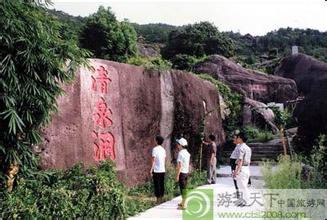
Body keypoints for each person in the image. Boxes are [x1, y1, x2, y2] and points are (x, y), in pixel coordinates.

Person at [232, 132, 252, 206]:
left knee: (242, 186)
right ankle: (244, 201)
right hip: (246, 168)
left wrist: (236, 171)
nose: (236, 139)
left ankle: (247, 201)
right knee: (244, 186)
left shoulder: (241, 148)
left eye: (237, 137)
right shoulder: (248, 148)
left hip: (242, 168)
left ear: (240, 138)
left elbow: (240, 160)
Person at [150, 135, 166, 204]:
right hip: (162, 169)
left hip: (156, 170)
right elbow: (164, 160)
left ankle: (158, 200)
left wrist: (151, 169)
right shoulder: (163, 150)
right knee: (161, 184)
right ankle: (162, 198)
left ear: (157, 141)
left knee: (157, 184)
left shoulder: (155, 149)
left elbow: (153, 160)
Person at [175, 137, 190, 210]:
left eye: (178, 144)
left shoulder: (180, 153)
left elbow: (179, 165)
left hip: (182, 173)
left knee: (182, 189)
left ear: (180, 145)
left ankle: (184, 205)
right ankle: (183, 202)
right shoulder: (187, 153)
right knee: (184, 188)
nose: (177, 145)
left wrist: (177, 175)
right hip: (186, 173)